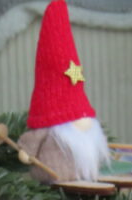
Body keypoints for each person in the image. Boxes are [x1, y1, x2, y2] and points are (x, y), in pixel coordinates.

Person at [17, 0, 109, 183]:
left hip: (83, 180)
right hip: (51, 180)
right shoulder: (49, 130)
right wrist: (26, 152)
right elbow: (29, 146)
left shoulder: (83, 128)